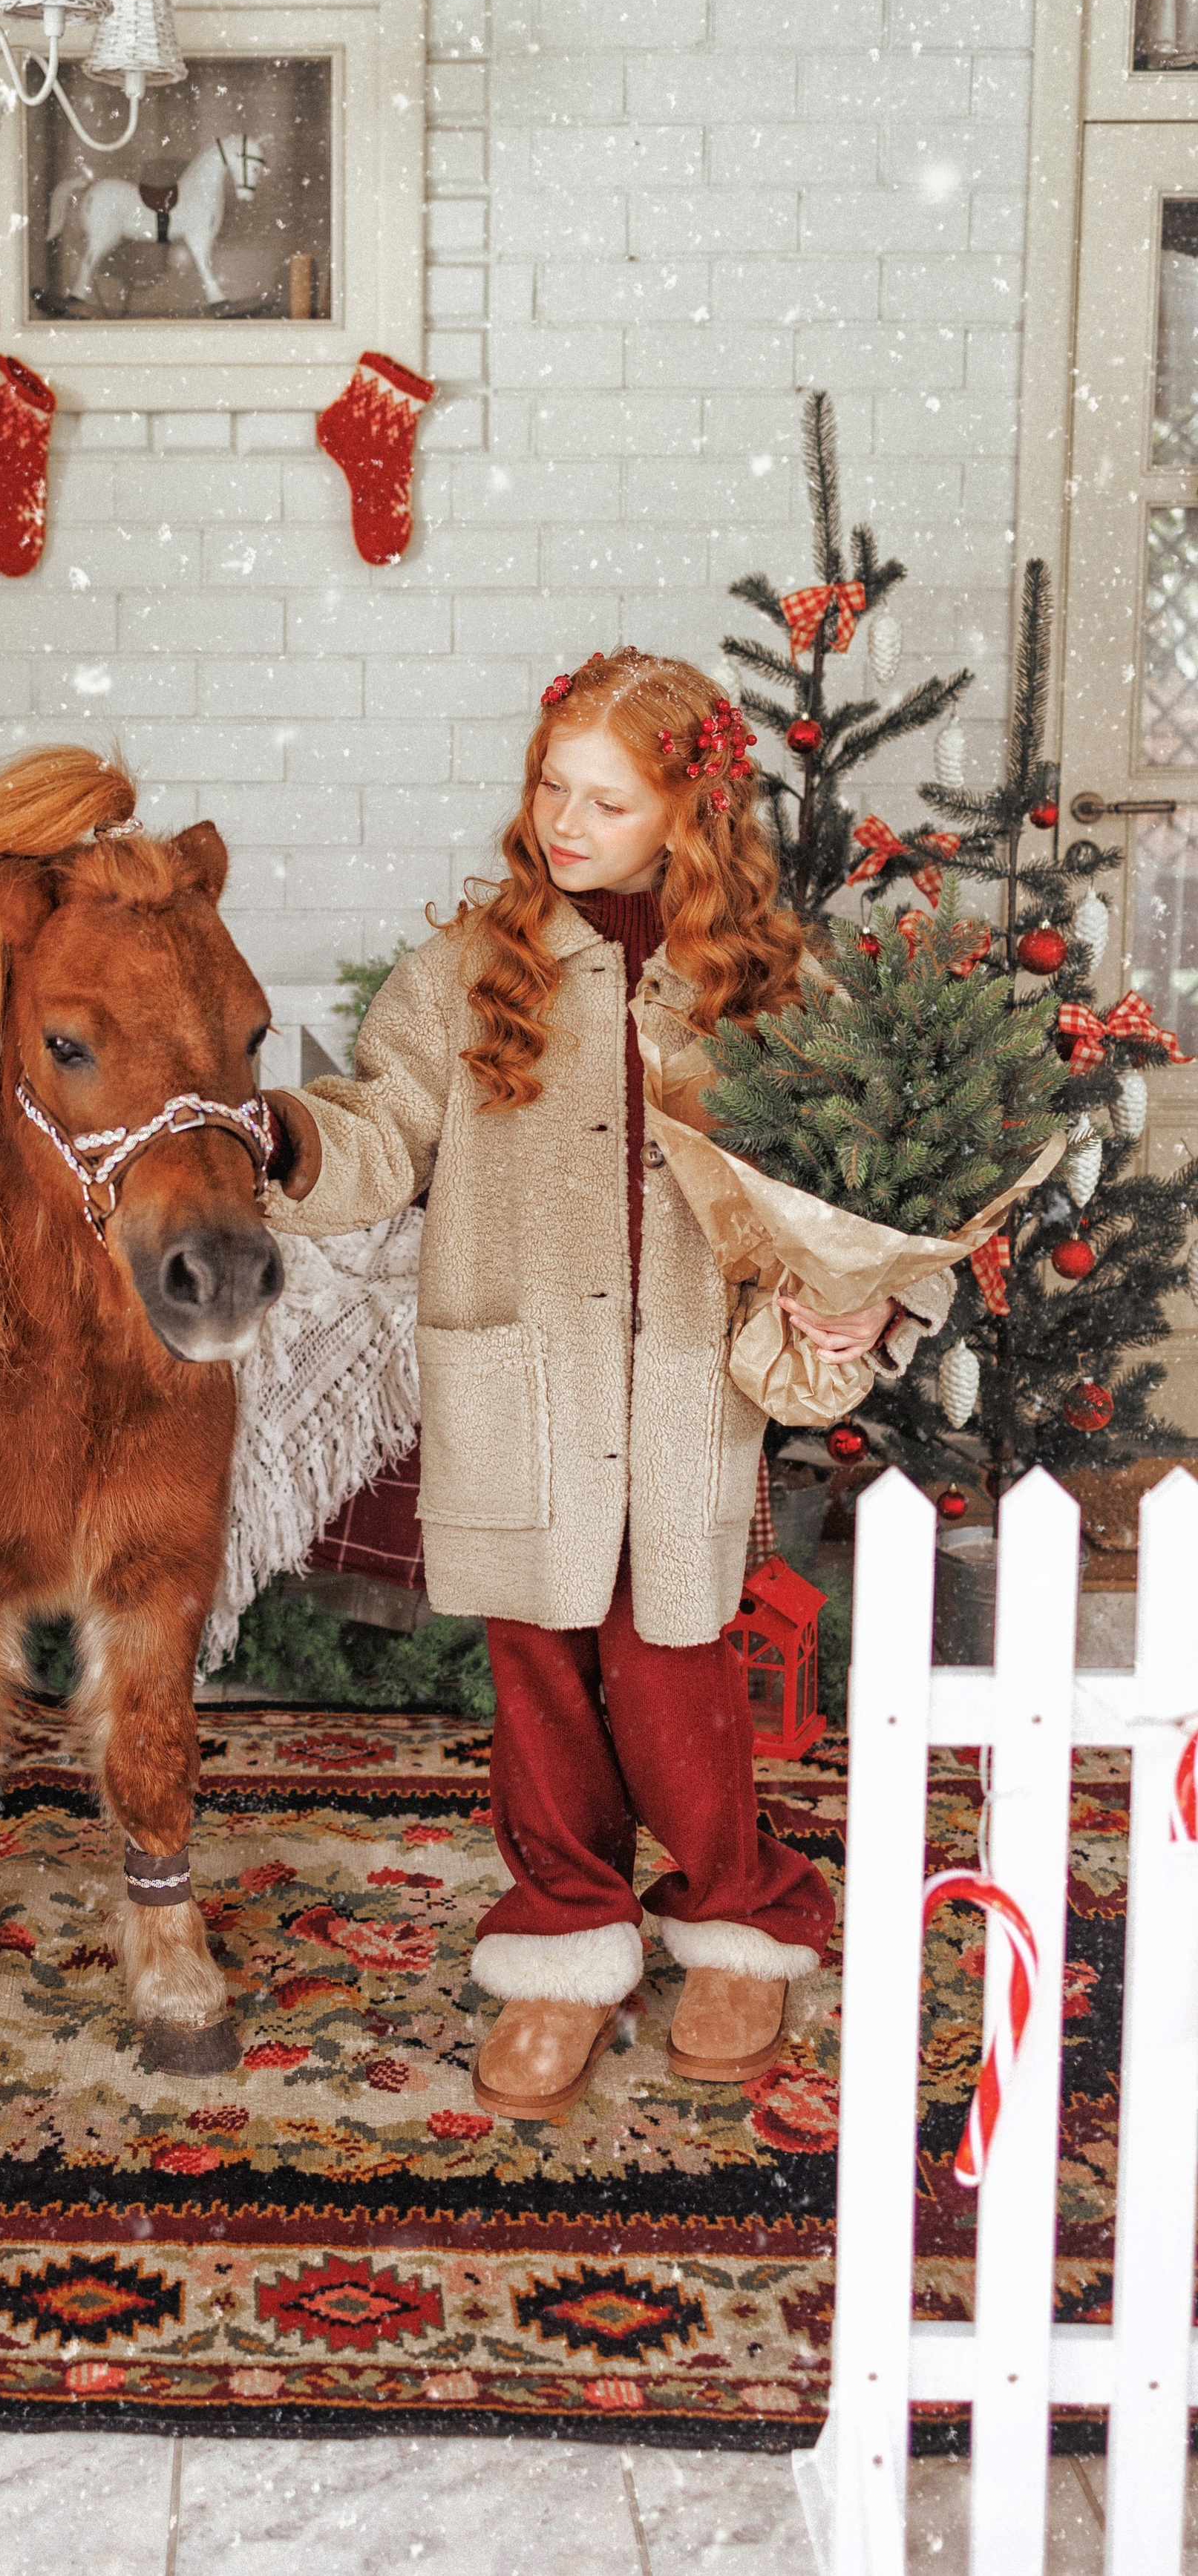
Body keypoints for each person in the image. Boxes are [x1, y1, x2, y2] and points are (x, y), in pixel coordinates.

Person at [262, 648, 952, 2120]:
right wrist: (280, 1145)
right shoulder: (466, 967)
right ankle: (563, 1932)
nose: (565, 822)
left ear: (683, 817)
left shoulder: (768, 985)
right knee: (538, 1676)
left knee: (669, 1664)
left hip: (683, 1388)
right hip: (522, 1378)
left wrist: (855, 1298)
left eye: (607, 798)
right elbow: (383, 1129)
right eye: (547, 787)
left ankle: (732, 1912)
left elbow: (860, 1186)